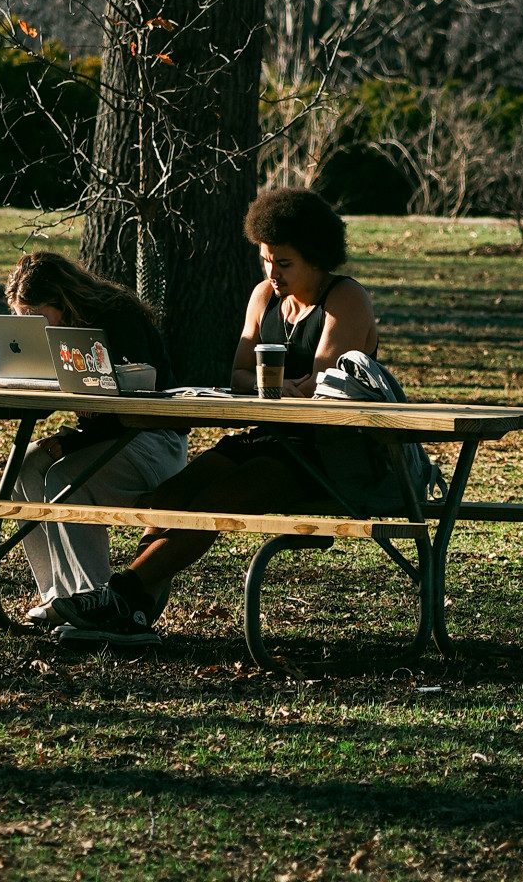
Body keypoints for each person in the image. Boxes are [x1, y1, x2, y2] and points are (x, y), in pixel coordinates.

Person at [49, 186, 380, 647]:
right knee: (171, 496)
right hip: (269, 435)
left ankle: (120, 598)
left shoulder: (345, 300)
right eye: (266, 260)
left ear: (317, 258)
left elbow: (323, 385)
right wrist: (279, 389)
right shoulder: (264, 297)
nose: (273, 273)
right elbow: (240, 374)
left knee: (219, 500)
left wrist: (278, 389)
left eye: (284, 263)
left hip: (329, 453)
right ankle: (133, 610)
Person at [2, 249, 189, 629]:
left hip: (151, 438)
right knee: (26, 466)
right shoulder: (56, 330)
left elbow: (134, 404)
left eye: (37, 317)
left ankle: (93, 600)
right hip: (104, 436)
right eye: (23, 320)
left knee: (63, 479)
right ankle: (59, 596)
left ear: (62, 301)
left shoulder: (117, 317)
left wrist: (74, 442)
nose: (34, 328)